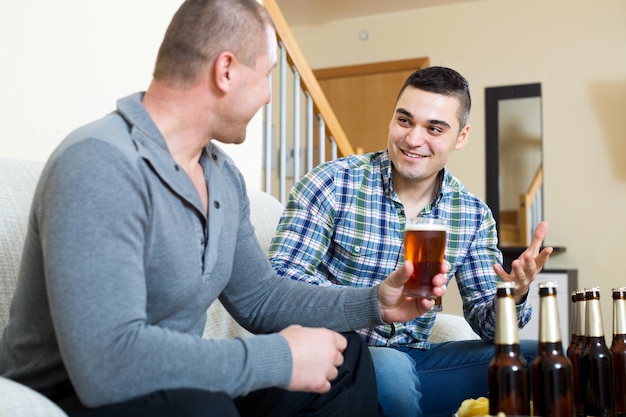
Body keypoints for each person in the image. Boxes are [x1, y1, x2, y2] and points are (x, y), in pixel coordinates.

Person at [0, 1, 449, 416]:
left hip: (178, 386)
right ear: (227, 71)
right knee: (200, 406)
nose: (271, 96)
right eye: (268, 75)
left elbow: (261, 297)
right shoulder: (100, 164)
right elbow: (106, 365)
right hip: (75, 395)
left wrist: (375, 302)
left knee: (345, 357)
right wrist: (278, 357)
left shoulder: (219, 174)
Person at [268, 66, 554, 417]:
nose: (413, 139)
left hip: (418, 358)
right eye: (404, 121)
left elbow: (487, 324)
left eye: (434, 128)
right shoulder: (332, 183)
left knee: (541, 358)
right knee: (391, 371)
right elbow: (281, 281)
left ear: (460, 137)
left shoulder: (472, 214)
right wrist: (367, 303)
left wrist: (514, 293)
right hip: (342, 355)